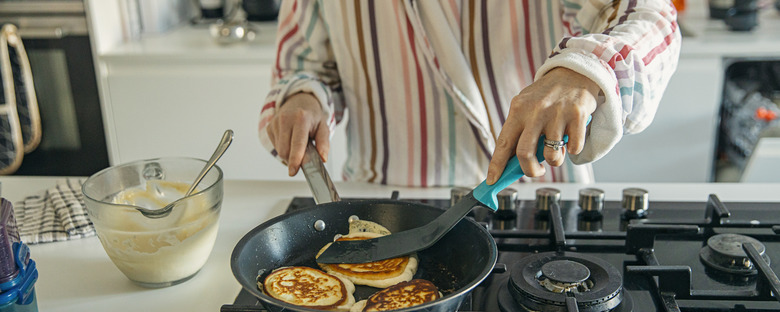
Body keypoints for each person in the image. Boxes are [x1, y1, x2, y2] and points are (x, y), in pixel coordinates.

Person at [258, 0, 681, 187]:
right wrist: (303, 99)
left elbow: (650, 14)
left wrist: (584, 71)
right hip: (385, 200)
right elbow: (304, 65)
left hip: (539, 193)